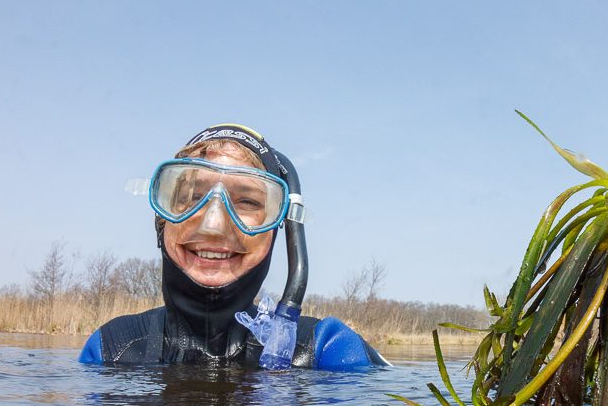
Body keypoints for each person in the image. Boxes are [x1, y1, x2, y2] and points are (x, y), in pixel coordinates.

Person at [79, 123, 387, 370]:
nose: (214, 225)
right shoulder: (112, 348)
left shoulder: (325, 349)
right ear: (162, 222)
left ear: (277, 229)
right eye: (193, 196)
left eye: (248, 201)